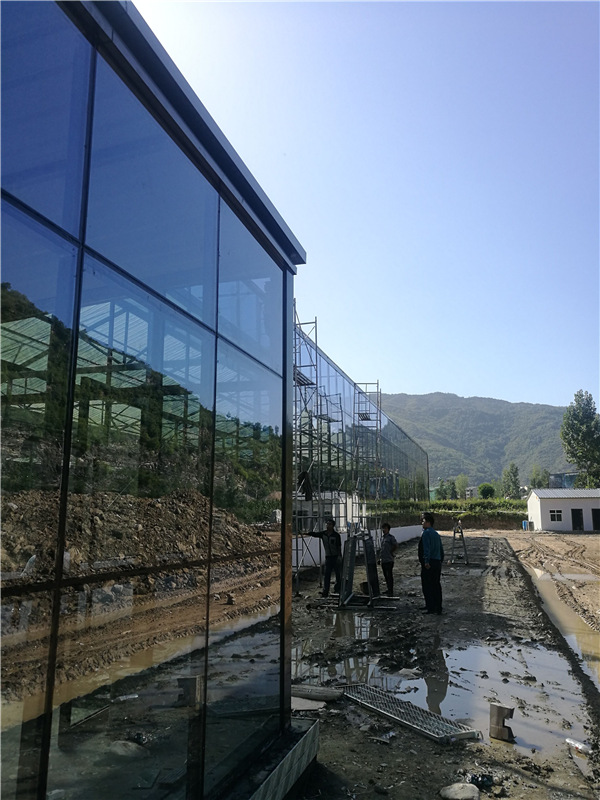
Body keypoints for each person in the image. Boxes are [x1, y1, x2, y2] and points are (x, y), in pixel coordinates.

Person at [309, 518, 342, 597]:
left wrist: (339, 556)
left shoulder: (336, 535)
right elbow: (315, 534)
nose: (327, 526)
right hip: (328, 557)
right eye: (327, 524)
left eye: (329, 524)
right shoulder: (323, 534)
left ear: (333, 526)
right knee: (327, 575)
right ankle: (325, 591)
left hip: (335, 557)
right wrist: (307, 533)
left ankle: (338, 589)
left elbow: (339, 547)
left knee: (338, 574)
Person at [419, 512, 444, 614]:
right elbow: (441, 550)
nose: (422, 523)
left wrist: (426, 561)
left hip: (429, 563)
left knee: (427, 585)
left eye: (423, 521)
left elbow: (426, 548)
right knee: (436, 585)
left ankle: (430, 607)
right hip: (437, 562)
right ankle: (438, 607)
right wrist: (440, 560)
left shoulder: (426, 533)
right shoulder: (436, 534)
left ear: (428, 522)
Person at [379, 522, 397, 597]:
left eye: (385, 528)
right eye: (383, 528)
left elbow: (395, 545)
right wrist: (380, 558)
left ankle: (391, 591)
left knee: (389, 575)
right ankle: (388, 589)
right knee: (386, 576)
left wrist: (391, 552)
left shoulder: (391, 537)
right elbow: (381, 549)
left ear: (388, 529)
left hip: (389, 559)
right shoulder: (382, 538)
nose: (384, 530)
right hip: (383, 559)